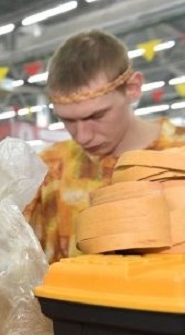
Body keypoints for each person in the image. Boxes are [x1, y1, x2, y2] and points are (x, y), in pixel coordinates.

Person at [25, 29, 185, 264]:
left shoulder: (178, 158)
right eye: (68, 120)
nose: (83, 136)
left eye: (96, 115)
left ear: (132, 88)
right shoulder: (47, 171)